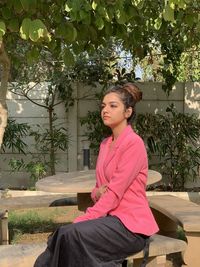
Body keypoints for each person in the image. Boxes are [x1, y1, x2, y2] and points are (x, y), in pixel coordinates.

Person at [34, 82, 159, 267]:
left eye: (113, 106)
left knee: (69, 234)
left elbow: (114, 195)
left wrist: (81, 219)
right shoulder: (105, 144)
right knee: (64, 235)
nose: (105, 110)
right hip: (108, 221)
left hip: (130, 227)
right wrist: (97, 193)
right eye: (103, 106)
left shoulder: (134, 144)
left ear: (128, 112)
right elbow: (99, 190)